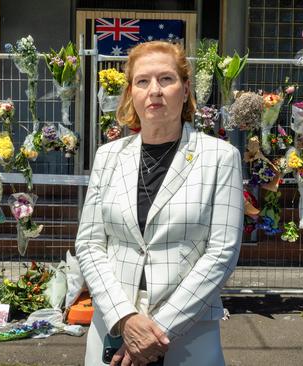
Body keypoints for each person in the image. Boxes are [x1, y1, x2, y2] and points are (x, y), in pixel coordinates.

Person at [75, 41, 244, 366]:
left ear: (185, 90)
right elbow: (89, 244)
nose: (154, 90)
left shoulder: (220, 158)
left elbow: (222, 253)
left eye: (166, 79)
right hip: (114, 328)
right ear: (130, 94)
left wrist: (158, 330)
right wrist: (126, 318)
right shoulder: (108, 156)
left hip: (186, 333)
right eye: (142, 81)